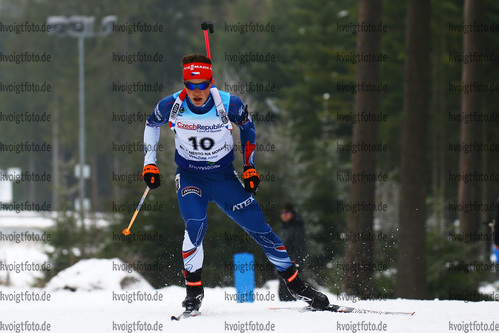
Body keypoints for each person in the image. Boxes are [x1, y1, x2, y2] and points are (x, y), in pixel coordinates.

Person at [141, 54, 330, 313]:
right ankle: (193, 292)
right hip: (190, 176)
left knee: (260, 229)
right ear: (184, 83)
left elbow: (248, 127)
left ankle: (297, 286)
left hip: (223, 177)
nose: (196, 91)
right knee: (195, 224)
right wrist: (149, 163)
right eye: (190, 84)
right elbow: (151, 124)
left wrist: (249, 167)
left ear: (211, 82)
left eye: (202, 84)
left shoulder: (229, 104)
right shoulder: (171, 105)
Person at [278, 203, 306, 301]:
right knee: (283, 291)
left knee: (290, 291)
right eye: (282, 212)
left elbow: (299, 248)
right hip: (283, 264)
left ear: (292, 213)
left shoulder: (296, 227)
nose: (284, 214)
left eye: (287, 212)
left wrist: (294, 263)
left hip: (291, 264)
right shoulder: (285, 228)